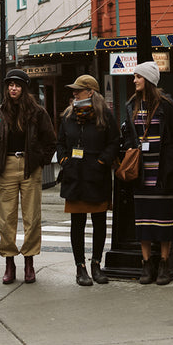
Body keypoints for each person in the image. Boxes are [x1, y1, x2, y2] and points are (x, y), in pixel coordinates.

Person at [0, 68, 57, 285]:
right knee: (6, 218)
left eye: (17, 85)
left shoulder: (37, 112)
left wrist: (40, 160)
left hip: (29, 166)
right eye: (10, 85)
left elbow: (50, 141)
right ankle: (9, 262)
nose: (13, 88)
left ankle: (29, 261)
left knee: (32, 217)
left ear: (24, 88)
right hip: (5, 166)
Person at [122, 61, 173, 285]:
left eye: (138, 77)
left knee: (164, 221)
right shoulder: (132, 104)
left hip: (161, 171)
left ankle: (164, 263)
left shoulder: (167, 105)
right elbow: (128, 132)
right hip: (141, 170)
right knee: (144, 221)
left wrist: (170, 158)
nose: (134, 80)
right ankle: (146, 264)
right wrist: (130, 146)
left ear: (148, 79)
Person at [57, 74, 120, 286]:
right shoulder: (68, 115)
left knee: (99, 221)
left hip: (96, 175)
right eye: (74, 90)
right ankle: (80, 267)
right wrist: (65, 160)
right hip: (74, 174)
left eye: (78, 90)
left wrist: (102, 161)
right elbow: (60, 143)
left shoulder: (105, 115)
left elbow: (114, 141)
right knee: (78, 223)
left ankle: (96, 263)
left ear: (91, 92)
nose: (74, 93)